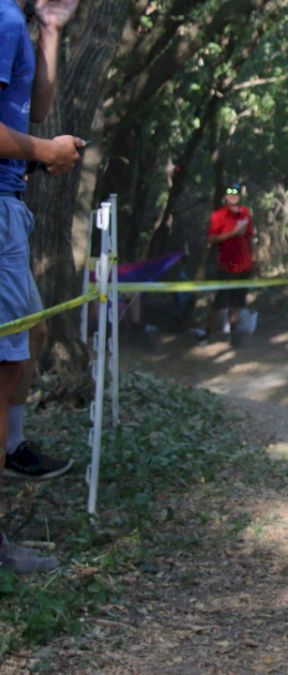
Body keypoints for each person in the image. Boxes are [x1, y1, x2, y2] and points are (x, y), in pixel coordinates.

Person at [0, 0, 83, 575]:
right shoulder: (2, 18)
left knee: (25, 345)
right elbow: (25, 132)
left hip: (10, 203)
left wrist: (51, 30)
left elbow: (29, 109)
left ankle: (12, 449)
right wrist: (42, 152)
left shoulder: (17, 22)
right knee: (7, 364)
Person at [198, 182, 255, 346]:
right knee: (220, 302)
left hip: (244, 265)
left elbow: (250, 237)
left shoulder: (246, 213)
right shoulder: (218, 215)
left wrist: (254, 259)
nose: (233, 196)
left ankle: (234, 334)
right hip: (226, 266)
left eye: (235, 193)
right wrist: (232, 233)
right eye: (230, 193)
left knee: (237, 302)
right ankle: (207, 333)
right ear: (225, 196)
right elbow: (211, 239)